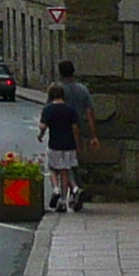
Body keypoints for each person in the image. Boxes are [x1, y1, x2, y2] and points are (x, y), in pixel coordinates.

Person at [55, 57, 97, 212]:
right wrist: (93, 135)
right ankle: (75, 192)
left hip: (61, 131)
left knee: (61, 166)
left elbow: (51, 110)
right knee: (75, 163)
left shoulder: (57, 90)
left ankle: (70, 194)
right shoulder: (82, 90)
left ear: (60, 73)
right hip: (80, 130)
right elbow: (89, 112)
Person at [38, 83, 84, 212]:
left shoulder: (48, 109)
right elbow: (75, 128)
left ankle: (56, 189)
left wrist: (40, 135)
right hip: (69, 144)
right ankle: (67, 197)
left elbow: (43, 126)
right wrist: (78, 144)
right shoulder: (70, 109)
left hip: (55, 144)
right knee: (65, 171)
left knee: (52, 168)